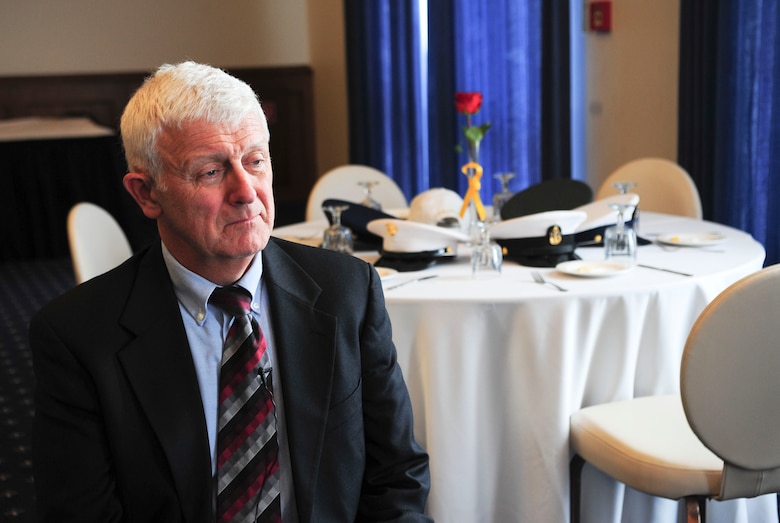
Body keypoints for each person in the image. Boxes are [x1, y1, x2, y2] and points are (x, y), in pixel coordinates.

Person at [30, 61, 431, 522]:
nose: (247, 191)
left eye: (255, 161)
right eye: (211, 172)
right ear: (146, 193)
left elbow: (397, 474)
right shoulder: (78, 336)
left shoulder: (346, 292)